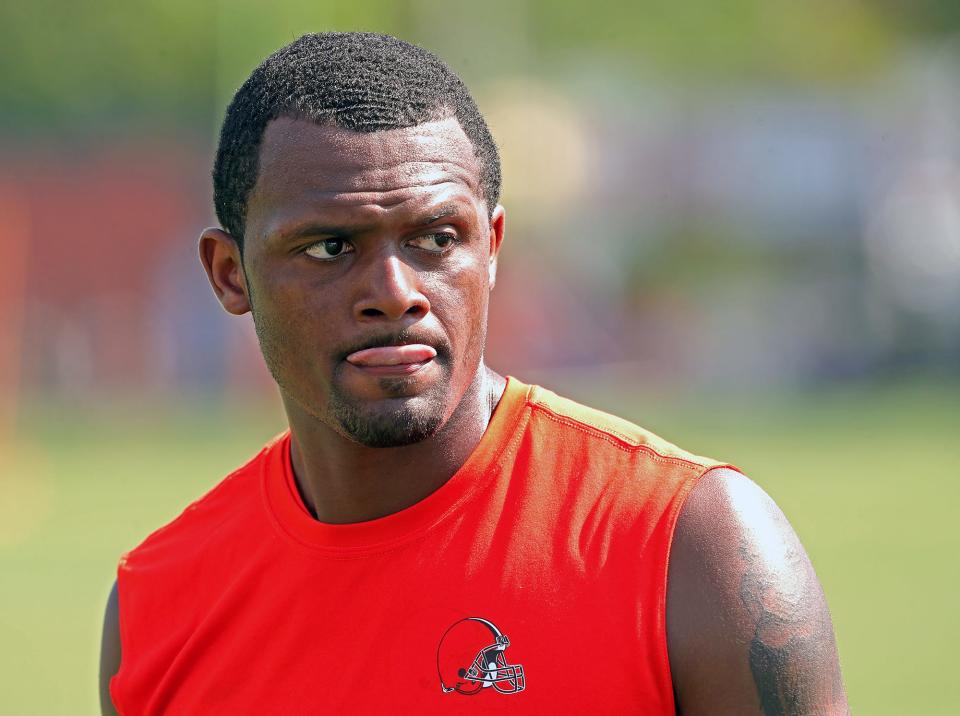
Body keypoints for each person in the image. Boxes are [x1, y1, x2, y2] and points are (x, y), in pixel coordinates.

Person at [99, 32, 848, 715]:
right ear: (230, 274)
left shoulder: (694, 547)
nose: (395, 292)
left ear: (490, 248)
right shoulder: (157, 606)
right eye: (329, 247)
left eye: (435, 238)